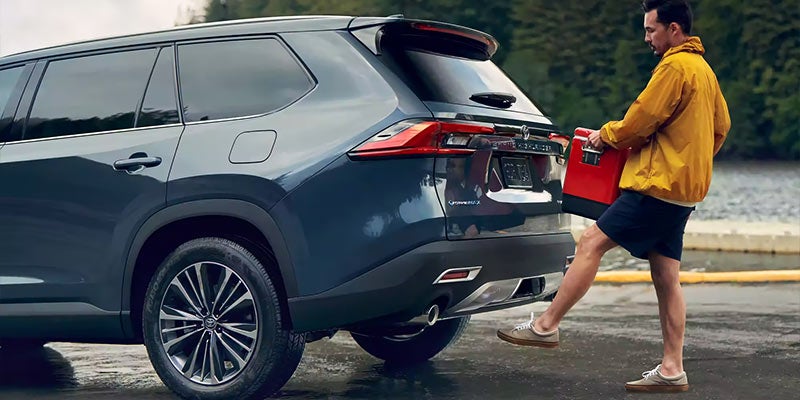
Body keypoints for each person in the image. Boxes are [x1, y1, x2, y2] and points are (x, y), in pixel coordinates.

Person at [496, 0, 730, 393]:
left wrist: (606, 135)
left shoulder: (675, 65)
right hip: (683, 192)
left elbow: (641, 119)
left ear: (675, 30)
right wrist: (692, 161)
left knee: (591, 242)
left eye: (651, 30)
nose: (646, 38)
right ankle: (672, 369)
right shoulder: (704, 71)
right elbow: (722, 126)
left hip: (657, 186)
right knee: (666, 276)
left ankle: (545, 326)